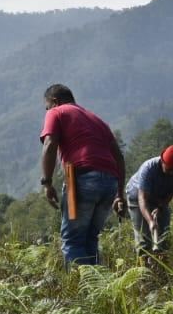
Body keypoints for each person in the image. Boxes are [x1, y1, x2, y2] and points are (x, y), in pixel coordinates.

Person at [39, 84, 127, 266]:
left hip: (78, 179)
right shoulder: (97, 120)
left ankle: (82, 283)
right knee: (90, 239)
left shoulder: (56, 112)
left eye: (47, 107)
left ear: (54, 101)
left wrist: (47, 183)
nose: (47, 111)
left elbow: (49, 144)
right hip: (109, 182)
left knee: (73, 241)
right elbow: (118, 157)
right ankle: (96, 281)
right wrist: (119, 194)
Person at [126, 145, 173, 255]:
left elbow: (172, 189)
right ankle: (144, 264)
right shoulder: (148, 168)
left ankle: (161, 264)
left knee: (164, 237)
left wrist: (160, 207)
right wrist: (150, 221)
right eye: (169, 169)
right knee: (144, 240)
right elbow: (142, 199)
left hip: (158, 198)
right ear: (162, 162)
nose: (172, 173)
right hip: (137, 197)